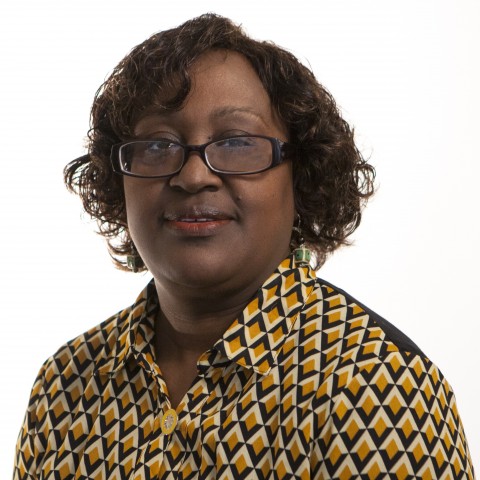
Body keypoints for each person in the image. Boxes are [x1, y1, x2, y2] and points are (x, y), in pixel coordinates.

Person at [13, 13, 474, 479]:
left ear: (302, 174)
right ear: (119, 180)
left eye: (236, 142)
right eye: (157, 146)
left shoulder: (377, 387)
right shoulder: (63, 388)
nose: (193, 176)